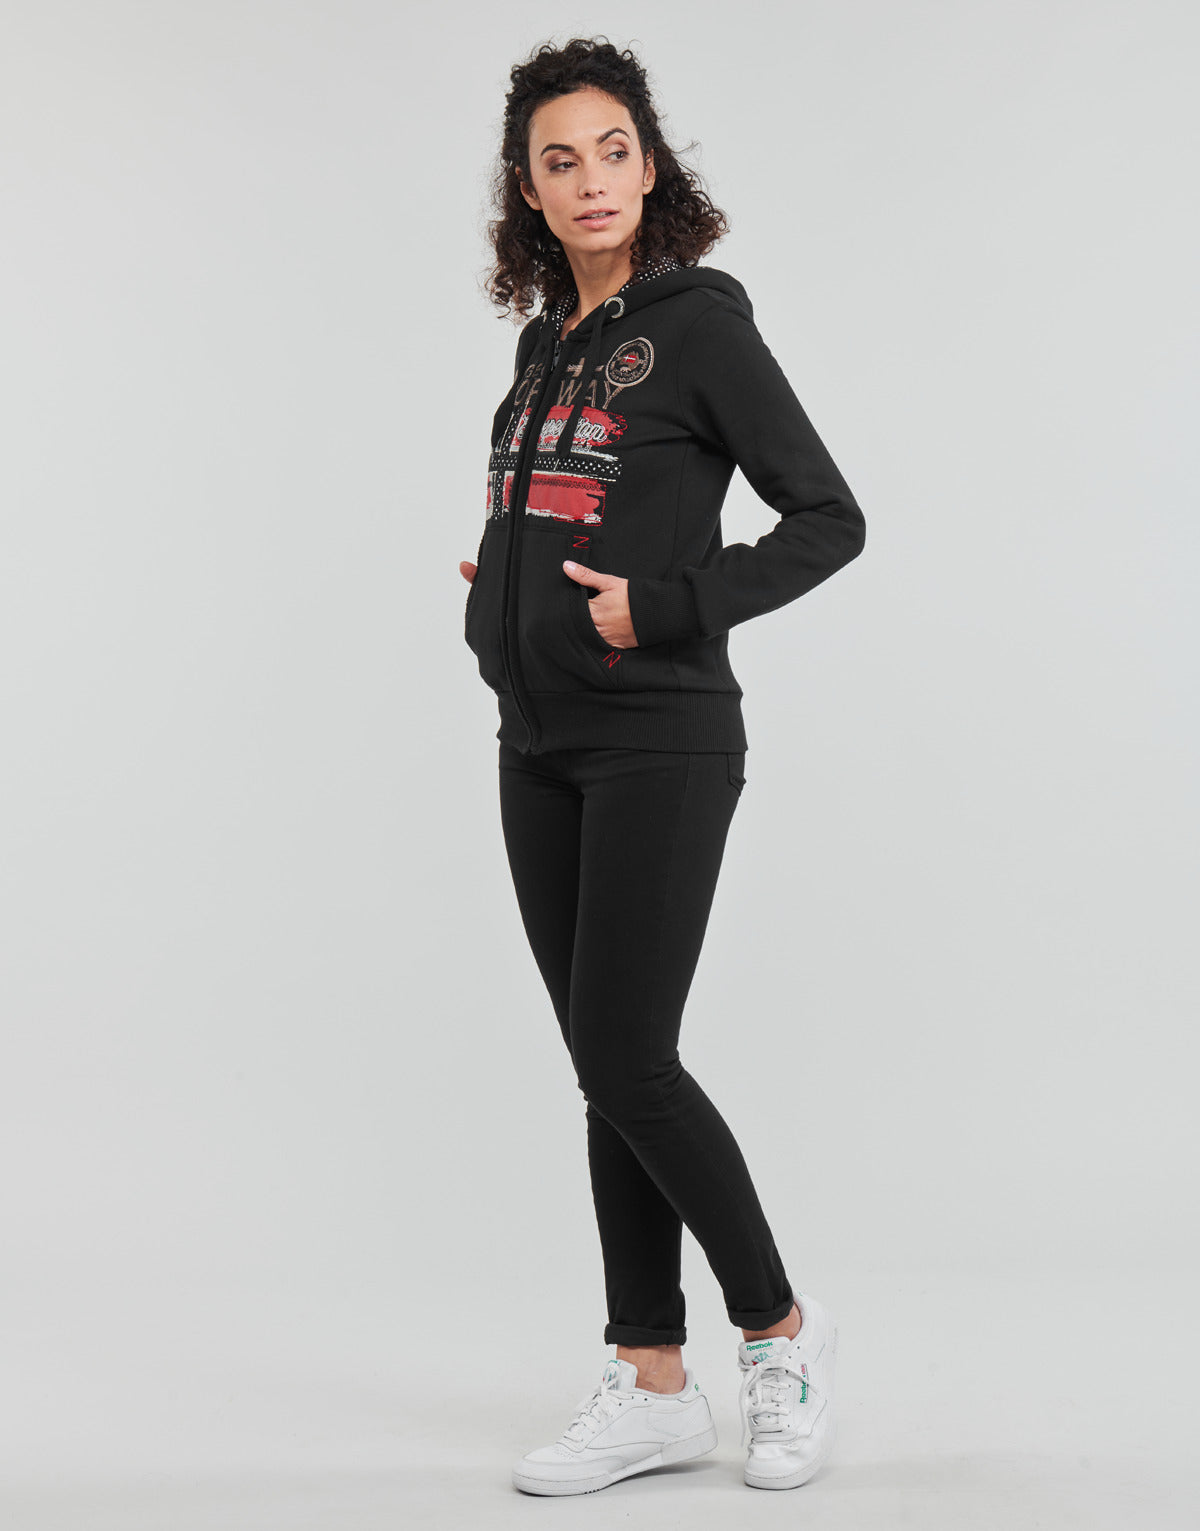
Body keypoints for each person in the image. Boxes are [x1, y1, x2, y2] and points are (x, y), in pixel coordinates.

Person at [460, 37, 865, 1497]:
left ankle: (780, 1336)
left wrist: (668, 605)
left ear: (651, 164)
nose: (590, 179)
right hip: (538, 741)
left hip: (662, 739)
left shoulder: (699, 330)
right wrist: (504, 595)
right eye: (558, 159)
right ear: (528, 186)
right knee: (604, 1065)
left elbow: (827, 519)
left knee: (630, 1055)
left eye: (612, 150)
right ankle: (649, 1379)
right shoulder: (541, 351)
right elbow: (574, 514)